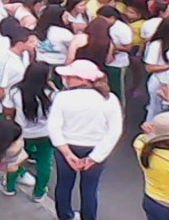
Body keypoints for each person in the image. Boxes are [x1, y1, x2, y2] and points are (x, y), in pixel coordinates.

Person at [49, 60, 123, 220]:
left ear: (83, 79)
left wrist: (68, 154)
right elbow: (114, 131)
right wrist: (95, 157)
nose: (65, 79)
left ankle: (65, 216)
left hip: (66, 147)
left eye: (70, 76)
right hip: (96, 148)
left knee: (64, 184)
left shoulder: (62, 97)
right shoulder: (110, 99)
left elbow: (54, 127)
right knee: (90, 188)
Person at [1, 62, 56, 201]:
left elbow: (7, 110)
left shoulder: (16, 91)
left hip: (21, 133)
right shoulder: (52, 93)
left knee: (15, 159)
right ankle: (39, 192)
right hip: (45, 134)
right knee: (44, 163)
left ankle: (10, 187)